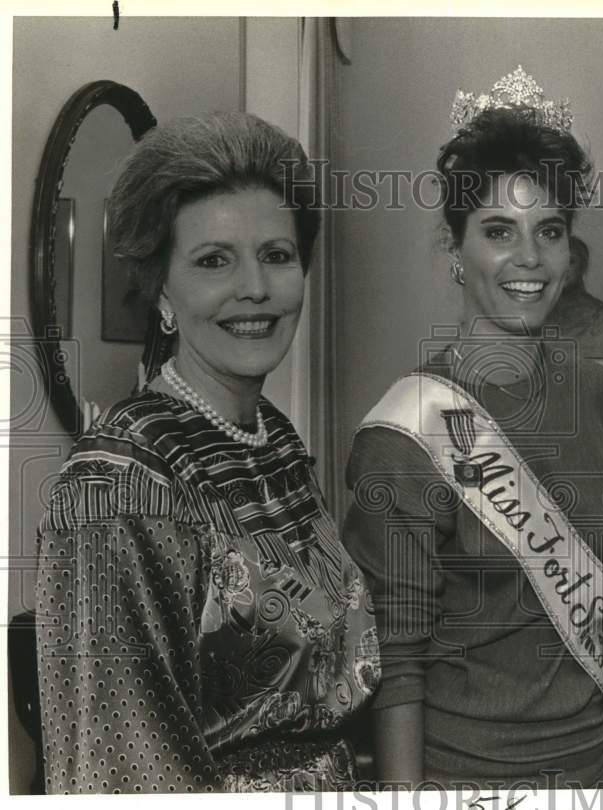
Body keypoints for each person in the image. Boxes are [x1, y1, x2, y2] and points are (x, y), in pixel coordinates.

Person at [34, 112, 378, 793]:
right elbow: (122, 778)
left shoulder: (272, 440)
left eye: (276, 255)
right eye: (213, 260)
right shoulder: (116, 492)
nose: (254, 287)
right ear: (161, 287)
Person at [342, 66, 603, 789]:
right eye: (498, 230)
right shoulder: (404, 433)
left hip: (596, 768)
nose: (529, 258)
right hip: (465, 780)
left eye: (550, 231)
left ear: (572, 253)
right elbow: (398, 660)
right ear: (454, 252)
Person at [547, 235, 603, 339]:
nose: (563, 269)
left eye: (570, 262)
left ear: (583, 265)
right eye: (557, 262)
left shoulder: (601, 314)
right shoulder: (537, 311)